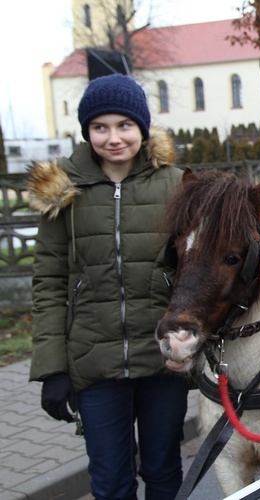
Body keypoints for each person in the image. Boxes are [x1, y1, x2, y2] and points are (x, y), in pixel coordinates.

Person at [27, 74, 190, 499]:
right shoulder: (61, 190)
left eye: (124, 125)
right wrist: (52, 368)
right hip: (94, 362)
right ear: (86, 132)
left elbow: (197, 268)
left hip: (163, 360)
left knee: (164, 471)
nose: (114, 138)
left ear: (142, 127)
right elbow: (48, 282)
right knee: (110, 480)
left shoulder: (176, 184)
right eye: (101, 127)